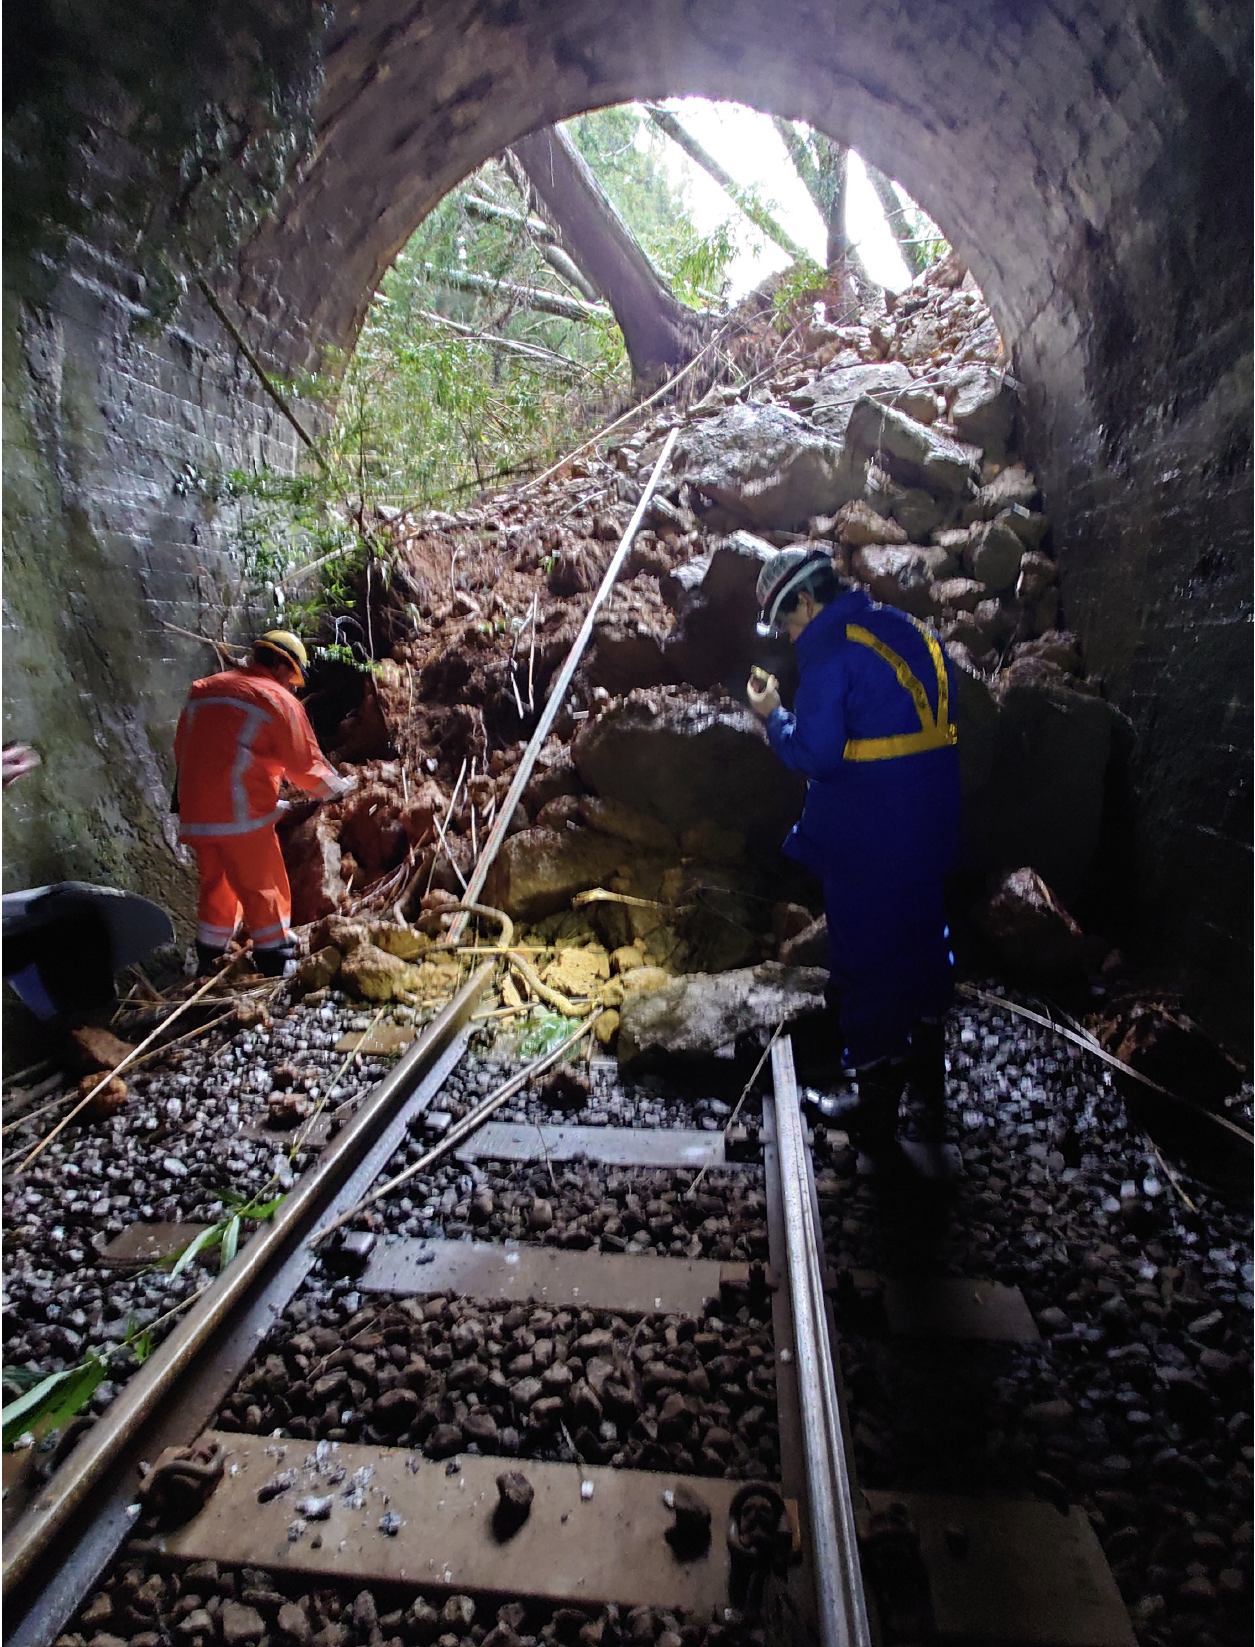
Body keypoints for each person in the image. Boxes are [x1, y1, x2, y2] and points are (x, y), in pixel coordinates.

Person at [747, 548, 962, 1165]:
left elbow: (815, 755)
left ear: (806, 604)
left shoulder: (831, 652)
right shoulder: (903, 626)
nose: (789, 637)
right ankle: (927, 1056)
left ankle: (874, 1103)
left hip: (873, 832)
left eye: (787, 623)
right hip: (931, 822)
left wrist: (773, 715)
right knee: (924, 933)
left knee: (866, 952)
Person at [173, 631, 356, 977]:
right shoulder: (275, 698)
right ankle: (275, 958)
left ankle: (208, 955)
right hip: (240, 813)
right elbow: (305, 765)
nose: (292, 684)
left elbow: (184, 746)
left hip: (195, 812)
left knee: (217, 884)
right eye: (291, 675)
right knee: (263, 884)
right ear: (282, 665)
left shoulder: (203, 690)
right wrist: (337, 788)